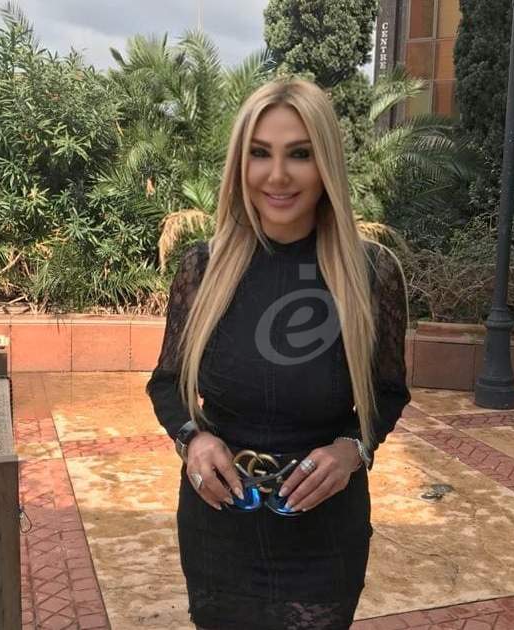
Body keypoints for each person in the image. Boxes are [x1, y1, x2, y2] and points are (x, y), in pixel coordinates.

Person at [146, 77, 411, 630]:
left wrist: (353, 450)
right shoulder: (203, 267)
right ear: (240, 164)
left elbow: (388, 392)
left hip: (324, 531)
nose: (278, 175)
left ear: (326, 163)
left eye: (300, 154)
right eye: (260, 153)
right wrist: (194, 441)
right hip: (218, 522)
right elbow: (167, 382)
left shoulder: (371, 273)